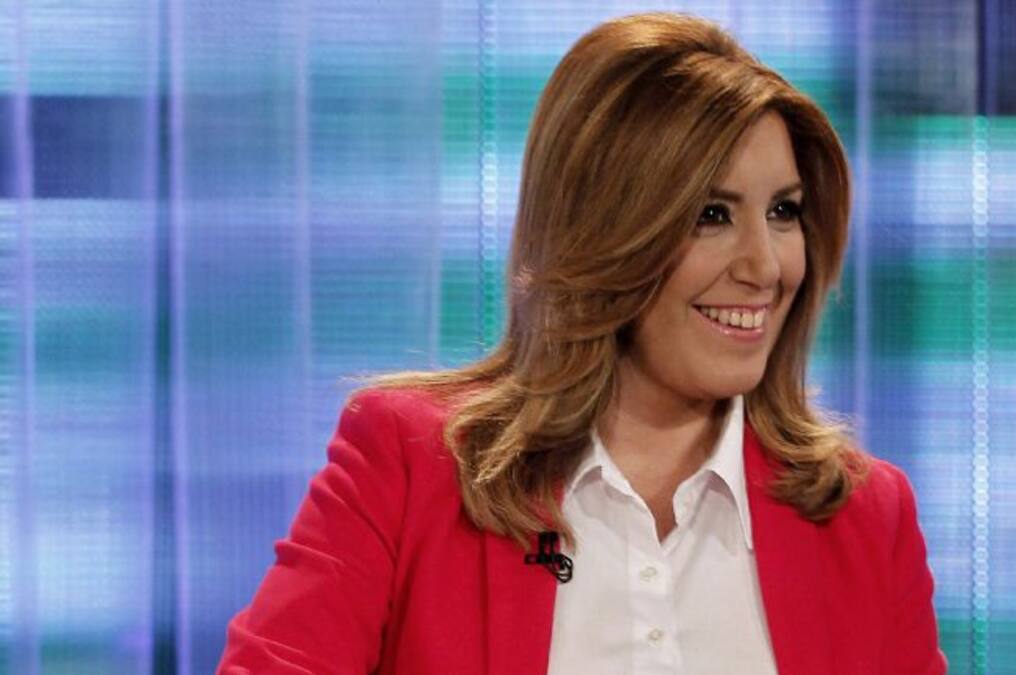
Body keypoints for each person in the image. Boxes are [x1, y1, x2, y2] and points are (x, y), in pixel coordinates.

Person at [218, 12, 946, 675]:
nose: (765, 266)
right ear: (603, 230)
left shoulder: (864, 515)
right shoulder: (412, 464)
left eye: (784, 212)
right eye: (711, 214)